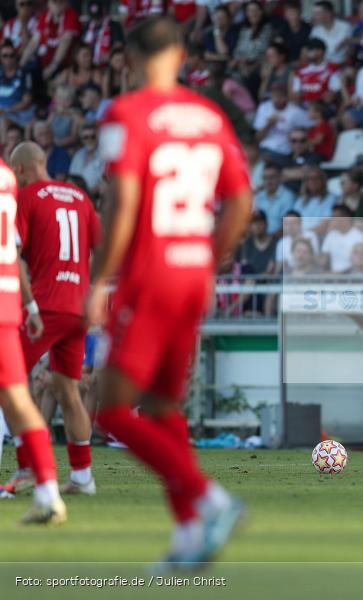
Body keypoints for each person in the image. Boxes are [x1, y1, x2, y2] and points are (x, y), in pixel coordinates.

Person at [88, 17, 252, 566]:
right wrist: (208, 259)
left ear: (130, 58)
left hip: (149, 275)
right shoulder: (209, 115)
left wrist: (101, 280)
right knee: (161, 407)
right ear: (181, 54)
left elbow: (125, 203)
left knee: (108, 410)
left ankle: (210, 498)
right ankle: (187, 534)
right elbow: (240, 201)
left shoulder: (125, 113)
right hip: (192, 274)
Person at [2, 141, 100, 499]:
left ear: (24, 169)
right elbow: (99, 248)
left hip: (45, 307)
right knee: (67, 389)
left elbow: (12, 253)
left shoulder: (27, 197)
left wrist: (27, 305)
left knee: (10, 383)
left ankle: (28, 466)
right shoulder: (80, 197)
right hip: (79, 308)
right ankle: (83, 476)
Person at [0, 146, 66, 519]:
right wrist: (29, 306)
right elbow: (13, 253)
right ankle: (47, 490)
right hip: (7, 302)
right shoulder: (8, 180)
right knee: (17, 398)